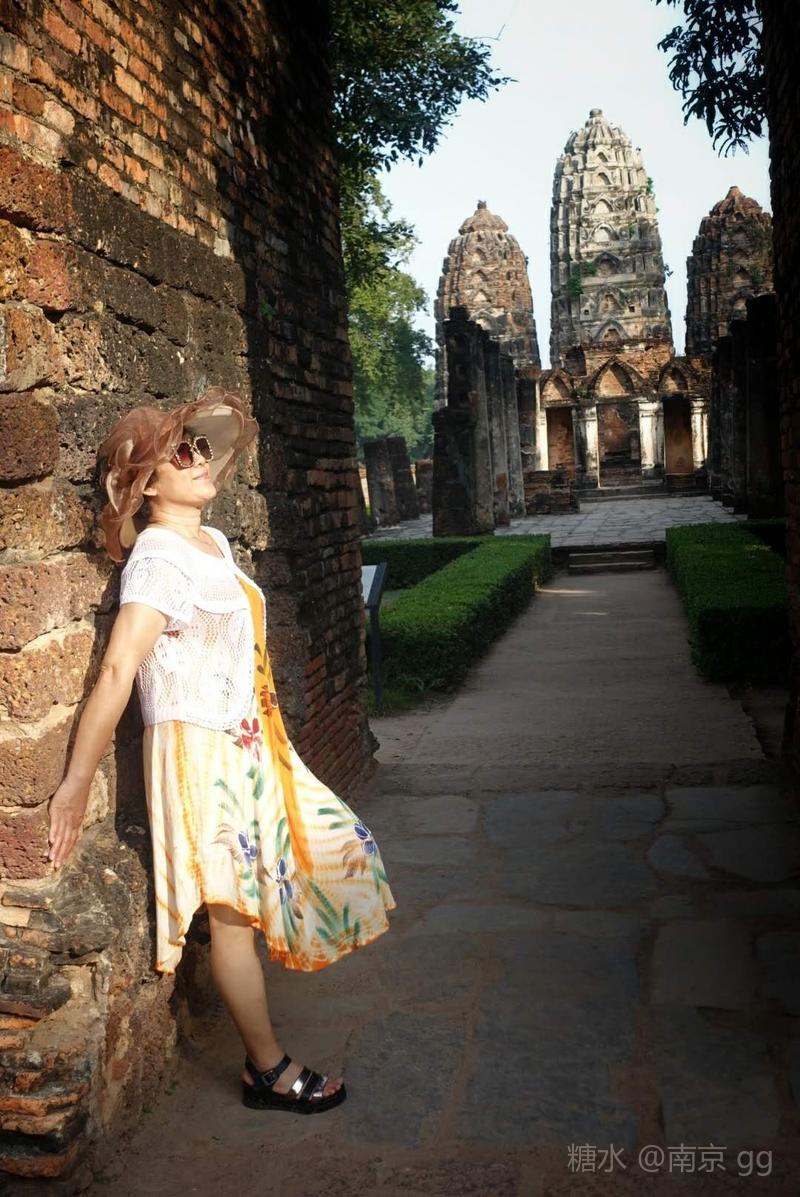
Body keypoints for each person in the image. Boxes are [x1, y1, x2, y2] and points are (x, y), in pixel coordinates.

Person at [47, 387, 395, 1115]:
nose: (200, 458)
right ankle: (267, 1069)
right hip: (199, 756)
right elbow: (117, 670)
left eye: (202, 446)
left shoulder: (213, 544)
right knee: (234, 914)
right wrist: (76, 782)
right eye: (181, 451)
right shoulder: (158, 559)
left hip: (245, 743)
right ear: (146, 484)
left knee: (322, 851)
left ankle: (264, 1060)